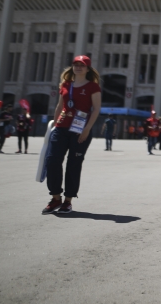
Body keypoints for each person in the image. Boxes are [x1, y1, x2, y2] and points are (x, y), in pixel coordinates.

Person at [41, 56, 101, 215]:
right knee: (52, 161)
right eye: (75, 64)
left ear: (88, 69)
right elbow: (60, 106)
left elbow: (96, 109)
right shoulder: (66, 85)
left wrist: (87, 129)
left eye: (82, 65)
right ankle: (55, 198)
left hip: (80, 130)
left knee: (74, 165)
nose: (78, 67)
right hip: (61, 128)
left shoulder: (93, 87)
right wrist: (54, 125)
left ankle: (68, 201)